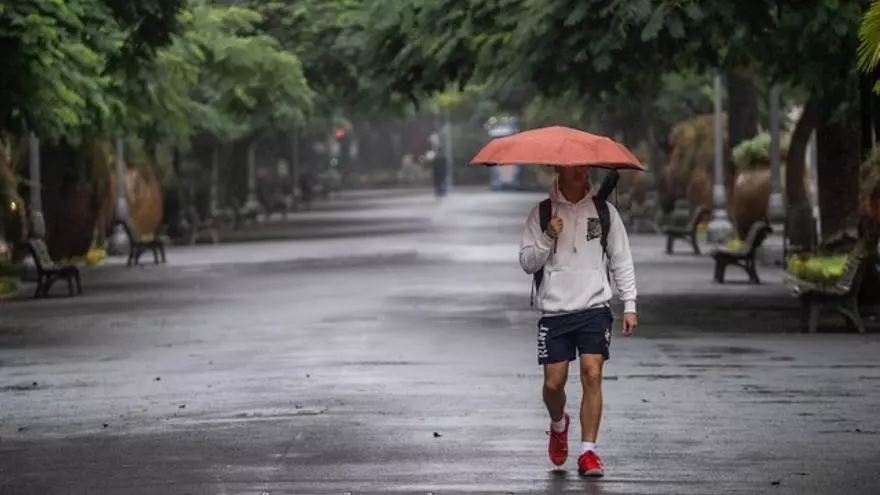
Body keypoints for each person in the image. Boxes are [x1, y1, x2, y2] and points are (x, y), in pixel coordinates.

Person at [519, 165, 638, 477]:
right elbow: (527, 262)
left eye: (585, 167)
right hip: (555, 312)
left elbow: (621, 258)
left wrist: (629, 303)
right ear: (560, 170)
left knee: (592, 373)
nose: (581, 172)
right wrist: (547, 236)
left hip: (594, 308)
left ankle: (589, 452)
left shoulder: (604, 211)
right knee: (553, 384)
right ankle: (559, 423)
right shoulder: (542, 213)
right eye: (574, 168)